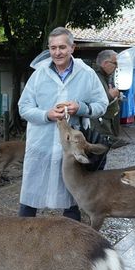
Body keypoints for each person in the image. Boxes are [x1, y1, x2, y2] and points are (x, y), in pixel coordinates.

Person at [18, 27, 108, 220]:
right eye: (53, 48)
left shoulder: (87, 73)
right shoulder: (39, 74)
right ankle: (22, 238)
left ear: (72, 48)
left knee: (72, 196)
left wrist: (80, 108)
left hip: (71, 148)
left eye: (62, 47)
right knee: (30, 195)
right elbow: (23, 107)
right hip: (40, 143)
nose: (57, 52)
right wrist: (46, 114)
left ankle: (70, 240)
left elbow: (102, 104)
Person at [90, 49, 127, 149]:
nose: (117, 67)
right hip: (99, 129)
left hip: (104, 127)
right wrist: (110, 96)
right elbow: (92, 105)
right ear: (106, 63)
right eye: (115, 63)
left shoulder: (104, 77)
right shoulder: (94, 78)